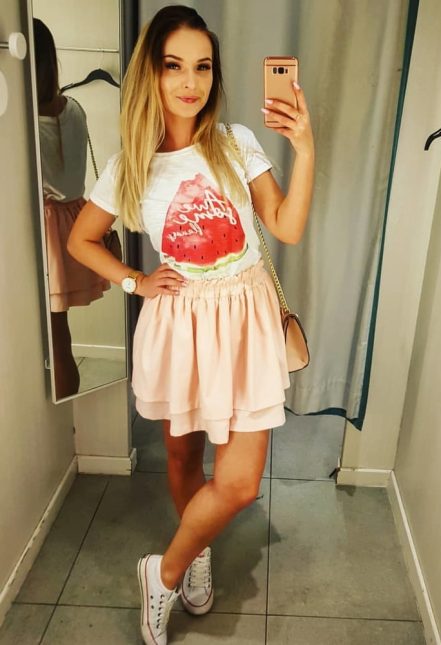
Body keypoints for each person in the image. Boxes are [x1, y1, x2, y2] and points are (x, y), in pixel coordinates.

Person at [67, 5, 314, 644]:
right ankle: (195, 555)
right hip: (180, 324)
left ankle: (164, 571)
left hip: (246, 320)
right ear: (151, 74)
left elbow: (285, 227)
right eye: (174, 65)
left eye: (202, 67)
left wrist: (305, 148)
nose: (190, 81)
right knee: (182, 455)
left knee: (238, 482)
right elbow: (81, 240)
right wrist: (135, 280)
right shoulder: (131, 165)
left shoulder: (236, 142)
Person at [34, 18, 110, 399]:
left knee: (50, 335)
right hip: (74, 220)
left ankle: (58, 413)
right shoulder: (75, 108)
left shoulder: (24, 124)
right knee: (58, 335)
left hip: (44, 229)